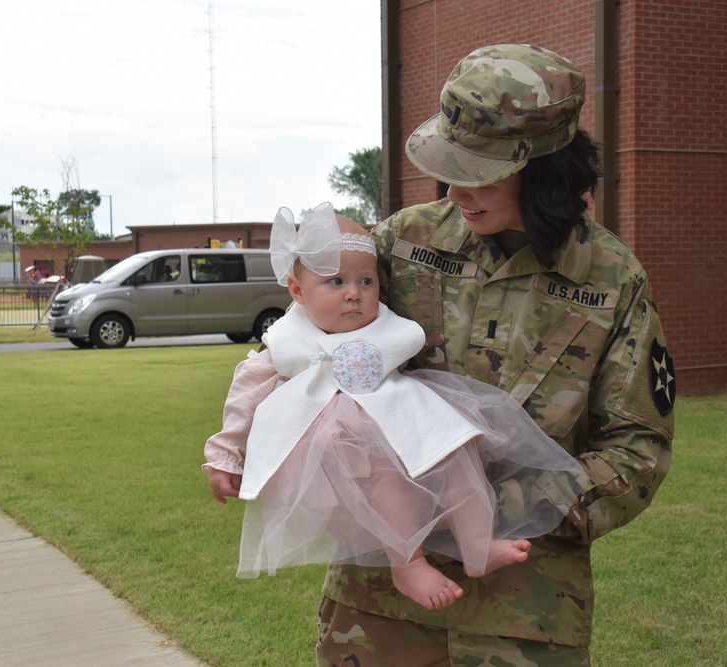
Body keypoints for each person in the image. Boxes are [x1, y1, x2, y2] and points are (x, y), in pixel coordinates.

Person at [315, 44, 675, 666]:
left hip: (524, 614)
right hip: (376, 602)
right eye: (449, 167)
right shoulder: (402, 242)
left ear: (546, 170)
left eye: (479, 172)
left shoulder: (613, 281)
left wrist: (484, 510)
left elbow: (637, 452)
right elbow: (309, 339)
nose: (455, 190)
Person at [203, 202, 585, 610]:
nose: (354, 294)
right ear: (298, 291)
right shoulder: (285, 338)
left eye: (366, 281)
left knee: (456, 447)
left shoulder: (385, 325)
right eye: (335, 282)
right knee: (391, 482)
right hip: (338, 438)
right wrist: (227, 455)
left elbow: (403, 350)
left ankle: (478, 543)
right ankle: (407, 563)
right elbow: (245, 397)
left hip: (401, 411)